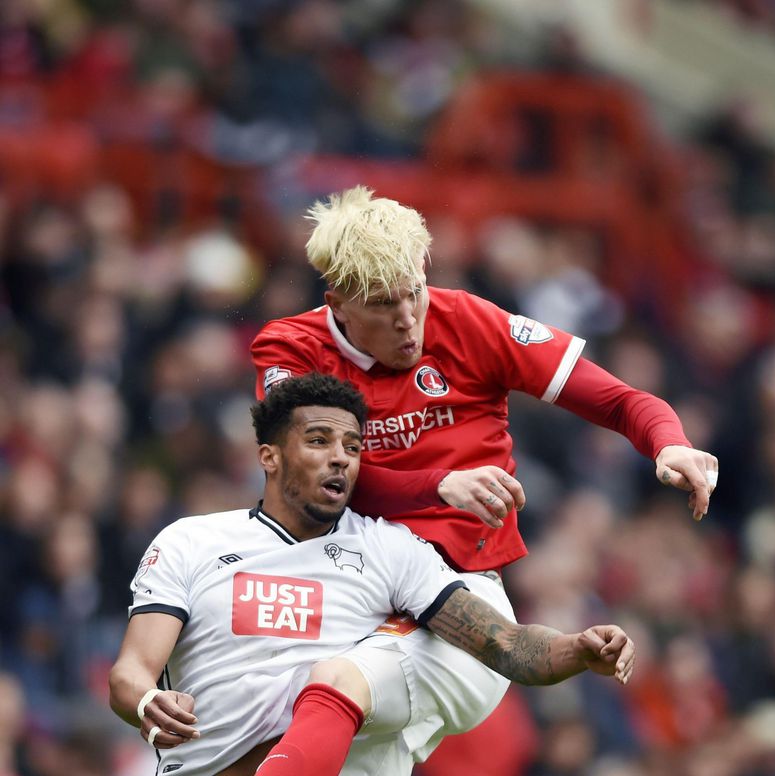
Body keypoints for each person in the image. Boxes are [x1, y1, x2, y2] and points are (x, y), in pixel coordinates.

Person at [248, 186, 716, 767]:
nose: (407, 321)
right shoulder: (291, 349)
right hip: (340, 587)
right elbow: (307, 479)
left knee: (335, 685)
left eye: (414, 294)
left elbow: (621, 401)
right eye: (383, 305)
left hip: (460, 604)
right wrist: (436, 484)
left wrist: (669, 445)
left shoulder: (470, 323)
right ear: (338, 301)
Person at [108, 373, 635, 776]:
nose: (340, 459)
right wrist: (150, 702)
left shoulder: (389, 551)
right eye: (318, 441)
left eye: (353, 447)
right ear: (269, 456)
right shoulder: (192, 541)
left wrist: (578, 650)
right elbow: (130, 674)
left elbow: (505, 645)